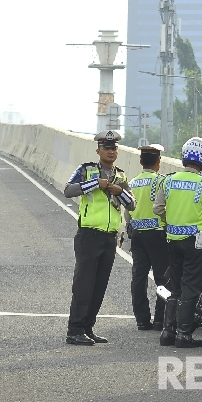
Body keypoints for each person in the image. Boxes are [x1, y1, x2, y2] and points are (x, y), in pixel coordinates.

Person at [63, 130, 135, 345]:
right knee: (84, 284)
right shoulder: (86, 170)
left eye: (114, 148)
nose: (111, 152)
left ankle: (88, 328)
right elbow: (68, 191)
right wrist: (95, 184)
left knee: (99, 285)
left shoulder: (120, 176)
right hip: (89, 235)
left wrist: (116, 190)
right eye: (107, 148)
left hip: (110, 237)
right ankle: (74, 330)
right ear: (98, 150)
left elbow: (131, 203)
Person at [153, 137, 202, 348]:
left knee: (175, 285)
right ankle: (183, 334)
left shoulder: (167, 180)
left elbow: (158, 209)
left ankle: (167, 332)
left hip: (172, 239)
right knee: (191, 285)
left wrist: (170, 221)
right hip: (194, 242)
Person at [126, 144, 170, 331]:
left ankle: (142, 320)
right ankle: (160, 319)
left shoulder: (132, 182)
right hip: (157, 234)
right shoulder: (161, 181)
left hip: (137, 234)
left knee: (139, 276)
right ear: (158, 162)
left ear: (141, 161)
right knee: (163, 278)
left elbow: (127, 210)